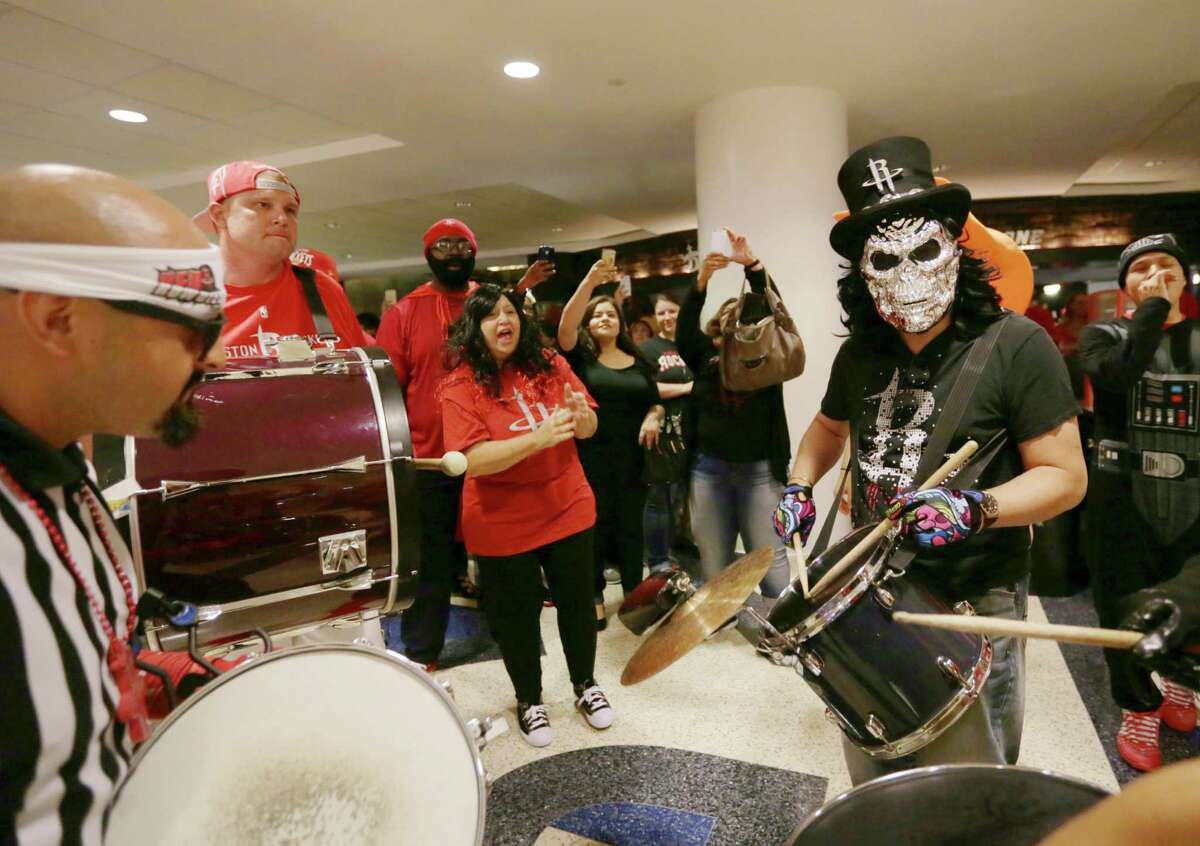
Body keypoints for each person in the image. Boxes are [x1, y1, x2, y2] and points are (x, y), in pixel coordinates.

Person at [774, 137, 1085, 785]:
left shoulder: (1017, 345)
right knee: (883, 753)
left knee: (977, 773)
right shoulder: (862, 353)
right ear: (862, 271)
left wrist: (978, 507)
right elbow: (826, 430)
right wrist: (799, 485)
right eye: (886, 258)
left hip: (975, 592)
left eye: (924, 250)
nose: (909, 273)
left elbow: (1065, 478)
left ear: (954, 248)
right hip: (874, 585)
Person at [0, 164, 227, 844]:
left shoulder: (54, 462)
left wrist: (186, 680)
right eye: (194, 331)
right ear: (57, 318)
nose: (209, 360)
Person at [440, 284, 614, 747]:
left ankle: (585, 685)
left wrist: (581, 418)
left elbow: (589, 425)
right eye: (491, 315)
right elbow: (473, 460)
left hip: (566, 504)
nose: (505, 321)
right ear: (473, 330)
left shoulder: (549, 363)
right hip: (501, 519)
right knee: (517, 616)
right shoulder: (459, 385)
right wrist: (539, 438)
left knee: (577, 603)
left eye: (511, 312)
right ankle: (530, 699)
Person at [376, 219, 554, 667]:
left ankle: (517, 643)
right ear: (428, 253)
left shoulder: (491, 305)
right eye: (442, 245)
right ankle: (422, 654)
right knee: (432, 561)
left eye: (462, 244)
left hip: (496, 452)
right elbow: (388, 388)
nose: (453, 251)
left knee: (505, 556)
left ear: (474, 252)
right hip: (431, 458)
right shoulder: (404, 313)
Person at [1077, 233, 1199, 771]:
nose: (1155, 273)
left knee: (1191, 597)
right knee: (1122, 604)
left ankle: (1178, 682)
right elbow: (1117, 377)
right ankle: (1138, 705)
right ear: (1126, 285)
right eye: (1141, 267)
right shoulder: (1103, 335)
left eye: (1166, 265)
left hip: (1194, 497)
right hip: (1122, 498)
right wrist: (1152, 311)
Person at [558, 261, 676, 627]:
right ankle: (594, 594)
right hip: (590, 455)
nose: (605, 319)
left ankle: (633, 594)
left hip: (633, 458)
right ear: (588, 324)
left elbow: (653, 399)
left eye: (611, 314)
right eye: (597, 315)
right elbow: (564, 327)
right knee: (594, 526)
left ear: (620, 323)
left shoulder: (638, 359)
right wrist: (590, 282)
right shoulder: (579, 358)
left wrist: (654, 414)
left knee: (630, 528)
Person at [676, 232, 793, 599]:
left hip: (760, 471)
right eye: (727, 318)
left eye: (741, 319)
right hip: (709, 470)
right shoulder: (704, 358)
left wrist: (753, 266)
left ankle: (784, 629)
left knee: (770, 559)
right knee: (713, 561)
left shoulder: (764, 361)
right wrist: (701, 281)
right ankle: (721, 621)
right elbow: (684, 330)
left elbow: (770, 308)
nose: (734, 324)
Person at [193, 160, 367, 359]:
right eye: (263, 205)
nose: (282, 218)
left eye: (290, 210)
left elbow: (361, 381)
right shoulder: (183, 301)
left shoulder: (323, 290)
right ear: (220, 215)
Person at [639, 292, 695, 576]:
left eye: (672, 311)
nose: (667, 317)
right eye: (661, 313)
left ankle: (672, 554)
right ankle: (657, 560)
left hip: (690, 434)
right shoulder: (648, 348)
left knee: (677, 498)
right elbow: (647, 388)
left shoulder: (690, 343)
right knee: (658, 498)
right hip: (661, 433)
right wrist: (688, 388)